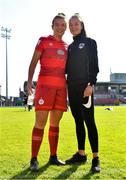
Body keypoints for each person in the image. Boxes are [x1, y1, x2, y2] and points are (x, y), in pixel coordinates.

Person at [27, 13, 67, 171]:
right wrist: (30, 82)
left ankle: (53, 156)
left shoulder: (66, 46)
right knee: (40, 123)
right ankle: (34, 159)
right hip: (44, 88)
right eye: (57, 24)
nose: (60, 27)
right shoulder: (43, 41)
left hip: (61, 89)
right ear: (52, 26)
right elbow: (33, 62)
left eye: (63, 25)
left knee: (55, 123)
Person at [65, 13, 100, 173]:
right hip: (71, 89)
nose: (73, 26)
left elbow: (94, 65)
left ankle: (96, 158)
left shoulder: (90, 42)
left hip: (85, 88)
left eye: (76, 24)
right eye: (71, 24)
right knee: (78, 121)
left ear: (82, 25)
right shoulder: (70, 47)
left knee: (89, 121)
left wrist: (91, 84)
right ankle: (81, 154)